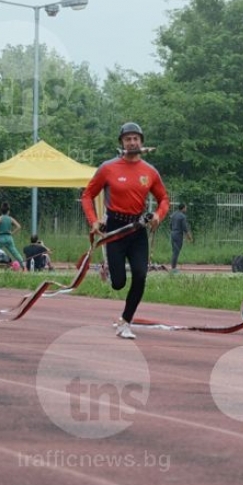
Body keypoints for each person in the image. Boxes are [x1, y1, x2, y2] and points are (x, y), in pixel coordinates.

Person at [81, 121, 170, 340]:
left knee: (140, 275)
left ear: (141, 142)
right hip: (115, 229)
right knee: (118, 282)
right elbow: (87, 195)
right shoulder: (108, 168)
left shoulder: (150, 172)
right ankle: (109, 267)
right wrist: (93, 221)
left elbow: (164, 199)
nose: (132, 142)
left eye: (136, 138)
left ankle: (126, 321)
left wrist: (159, 215)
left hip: (137, 229)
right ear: (122, 142)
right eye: (128, 139)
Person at [0, 202, 25, 269]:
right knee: (15, 252)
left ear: (1, 210)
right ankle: (23, 265)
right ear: (8, 211)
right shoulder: (10, 219)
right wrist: (12, 233)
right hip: (8, 237)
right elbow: (19, 226)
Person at [169, 203, 193, 273]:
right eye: (185, 208)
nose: (186, 209)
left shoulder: (173, 215)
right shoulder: (182, 216)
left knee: (174, 251)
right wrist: (189, 237)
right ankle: (173, 269)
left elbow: (170, 225)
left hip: (173, 233)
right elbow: (185, 228)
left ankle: (173, 267)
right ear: (183, 208)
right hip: (178, 235)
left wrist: (173, 230)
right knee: (176, 251)